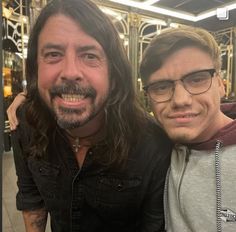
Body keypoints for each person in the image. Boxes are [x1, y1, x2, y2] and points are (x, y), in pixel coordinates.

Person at [10, 0, 172, 231]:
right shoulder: (25, 122)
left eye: (89, 55)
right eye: (54, 54)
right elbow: (32, 200)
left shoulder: (152, 144)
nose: (70, 73)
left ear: (113, 75)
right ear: (35, 69)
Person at [140, 26, 236, 232]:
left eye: (197, 79)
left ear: (221, 84)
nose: (180, 100)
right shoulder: (156, 146)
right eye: (161, 87)